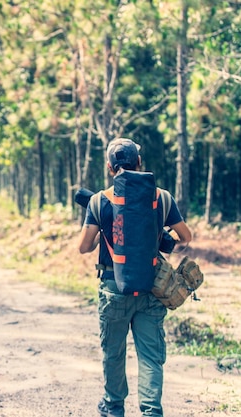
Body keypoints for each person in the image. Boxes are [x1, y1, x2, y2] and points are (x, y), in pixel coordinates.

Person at [77, 138, 192, 417]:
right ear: (139, 163)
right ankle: (152, 412)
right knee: (151, 356)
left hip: (113, 289)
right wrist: (159, 237)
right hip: (151, 288)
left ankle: (114, 407)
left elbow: (83, 247)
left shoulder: (98, 200)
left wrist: (106, 233)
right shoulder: (162, 197)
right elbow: (186, 237)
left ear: (109, 167)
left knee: (114, 352)